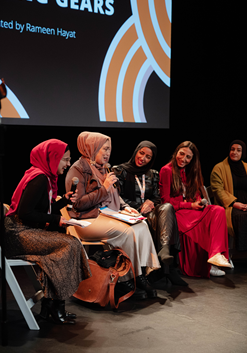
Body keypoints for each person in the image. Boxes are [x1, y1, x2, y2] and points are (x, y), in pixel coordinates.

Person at [4, 139, 91, 325]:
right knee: (69, 244)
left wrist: (63, 202)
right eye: (65, 160)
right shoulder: (39, 178)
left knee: (65, 243)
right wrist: (57, 219)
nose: (68, 164)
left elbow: (40, 209)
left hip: (22, 229)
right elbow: (25, 213)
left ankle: (51, 304)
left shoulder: (43, 176)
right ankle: (54, 304)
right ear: (52, 158)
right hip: (16, 234)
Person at [65, 132, 160, 299]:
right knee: (127, 232)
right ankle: (126, 280)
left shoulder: (103, 167)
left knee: (141, 225)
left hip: (105, 214)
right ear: (92, 148)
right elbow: (78, 204)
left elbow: (114, 194)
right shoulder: (78, 170)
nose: (108, 153)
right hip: (86, 220)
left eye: (110, 149)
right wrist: (104, 188)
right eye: (105, 149)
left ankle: (141, 274)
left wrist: (125, 207)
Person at [112, 141, 187, 286]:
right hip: (129, 212)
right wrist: (140, 205)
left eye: (148, 157)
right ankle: (167, 270)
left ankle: (164, 250)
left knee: (167, 208)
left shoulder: (153, 174)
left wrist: (151, 202)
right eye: (141, 153)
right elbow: (117, 197)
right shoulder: (120, 170)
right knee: (160, 220)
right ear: (136, 152)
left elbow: (157, 197)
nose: (143, 158)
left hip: (149, 212)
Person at [159, 141, 232, 278]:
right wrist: (189, 205)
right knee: (201, 221)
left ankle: (216, 255)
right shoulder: (166, 170)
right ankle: (210, 265)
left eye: (188, 157)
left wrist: (198, 202)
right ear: (176, 152)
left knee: (218, 210)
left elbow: (195, 196)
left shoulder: (192, 171)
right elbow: (166, 203)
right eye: (182, 154)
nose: (184, 159)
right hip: (176, 212)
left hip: (191, 209)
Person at [210, 140, 247, 254]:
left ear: (243, 153)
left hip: (246, 204)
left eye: (238, 150)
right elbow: (218, 190)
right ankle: (241, 251)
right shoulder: (219, 168)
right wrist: (234, 203)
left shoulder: (246, 167)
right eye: (232, 149)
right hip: (230, 206)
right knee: (241, 218)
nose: (234, 152)